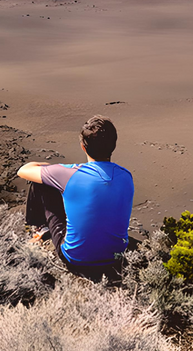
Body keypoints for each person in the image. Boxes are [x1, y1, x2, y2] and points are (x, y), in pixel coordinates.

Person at [17, 115, 134, 281]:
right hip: (115, 259)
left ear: (83, 147)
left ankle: (40, 230)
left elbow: (24, 170)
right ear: (113, 145)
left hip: (76, 260)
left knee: (41, 184)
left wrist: (51, 168)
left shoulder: (69, 173)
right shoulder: (126, 176)